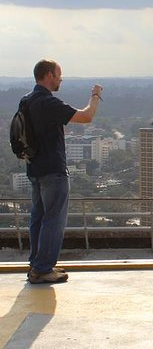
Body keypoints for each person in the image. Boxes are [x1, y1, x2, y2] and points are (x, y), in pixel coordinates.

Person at [24, 59, 104, 284]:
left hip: (35, 168)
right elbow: (86, 116)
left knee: (38, 218)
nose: (61, 79)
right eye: (59, 75)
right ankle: (43, 268)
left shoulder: (26, 101)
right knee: (54, 219)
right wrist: (95, 95)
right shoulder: (48, 102)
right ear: (49, 75)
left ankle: (36, 264)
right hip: (53, 169)